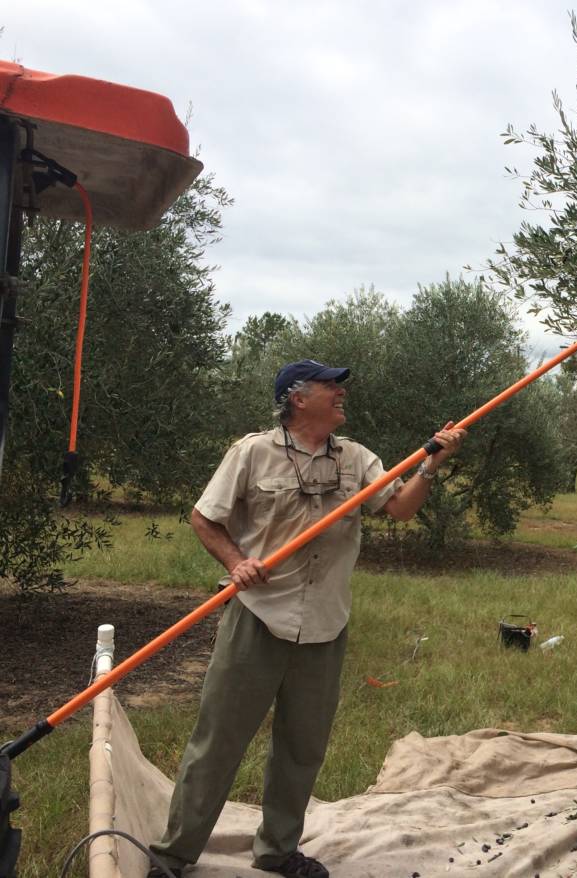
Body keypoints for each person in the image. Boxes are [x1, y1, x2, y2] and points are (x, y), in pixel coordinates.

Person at [147, 359, 466, 878]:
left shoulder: (358, 458)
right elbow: (204, 517)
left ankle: (277, 851)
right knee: (218, 743)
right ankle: (172, 855)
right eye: (330, 386)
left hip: (326, 623)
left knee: (301, 749)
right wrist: (236, 562)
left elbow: (401, 508)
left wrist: (431, 465)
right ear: (297, 398)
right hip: (258, 616)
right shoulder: (251, 453)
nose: (341, 393)